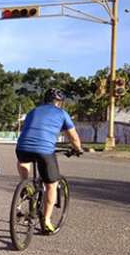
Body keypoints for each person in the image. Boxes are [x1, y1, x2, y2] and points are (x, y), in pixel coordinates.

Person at [16, 88, 82, 233]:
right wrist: (78, 149)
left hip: (22, 147)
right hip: (44, 150)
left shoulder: (33, 111)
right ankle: (46, 221)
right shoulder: (62, 113)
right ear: (59, 103)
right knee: (52, 185)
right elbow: (73, 137)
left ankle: (25, 184)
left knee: (23, 161)